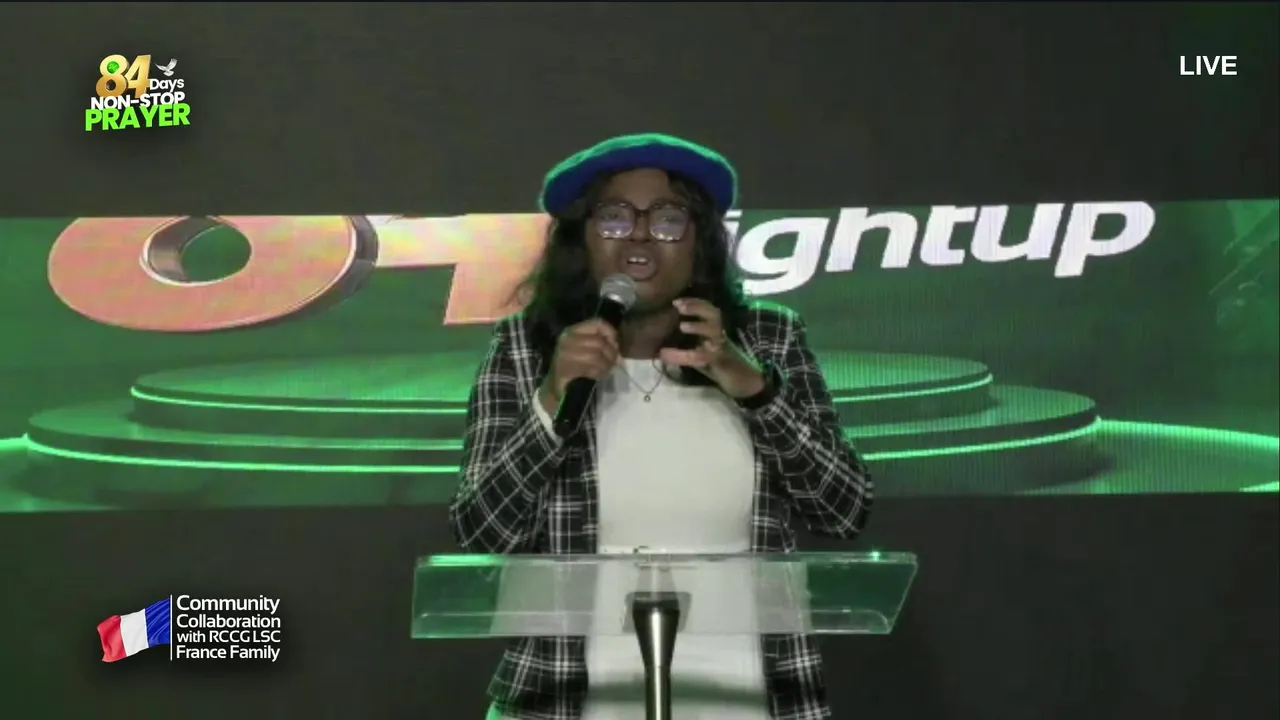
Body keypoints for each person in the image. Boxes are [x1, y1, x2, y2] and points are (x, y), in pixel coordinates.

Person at [448, 133, 873, 720]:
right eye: (615, 217)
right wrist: (551, 399)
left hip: (744, 695)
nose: (640, 236)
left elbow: (844, 510)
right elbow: (482, 532)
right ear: (581, 240)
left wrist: (754, 387)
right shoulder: (525, 347)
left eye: (669, 219)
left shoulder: (770, 339)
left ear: (700, 245)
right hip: (567, 697)